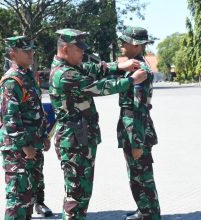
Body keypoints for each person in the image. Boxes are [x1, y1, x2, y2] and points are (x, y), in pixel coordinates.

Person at [49, 28, 148, 220]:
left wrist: (119, 67)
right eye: (79, 50)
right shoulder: (64, 74)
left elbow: (96, 68)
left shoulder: (73, 66)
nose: (83, 53)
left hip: (80, 140)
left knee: (82, 194)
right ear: (66, 49)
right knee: (76, 196)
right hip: (73, 143)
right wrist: (130, 80)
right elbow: (97, 87)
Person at [0, 36, 51, 220]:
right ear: (13, 53)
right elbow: (10, 117)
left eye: (32, 50)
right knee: (17, 199)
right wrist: (25, 145)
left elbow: (35, 110)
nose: (31, 53)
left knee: (28, 197)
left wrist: (43, 137)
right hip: (18, 149)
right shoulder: (12, 81)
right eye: (26, 51)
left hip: (32, 145)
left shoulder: (27, 75)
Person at [117, 26, 161, 220]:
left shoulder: (140, 70)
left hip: (136, 128)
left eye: (125, 41)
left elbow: (140, 107)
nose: (121, 44)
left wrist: (137, 141)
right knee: (136, 175)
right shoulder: (135, 66)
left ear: (135, 45)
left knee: (142, 176)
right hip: (132, 126)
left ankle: (150, 213)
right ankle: (144, 210)